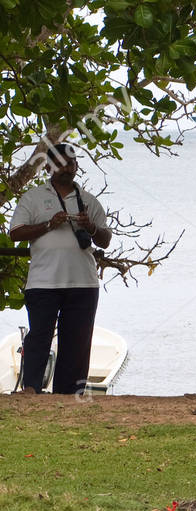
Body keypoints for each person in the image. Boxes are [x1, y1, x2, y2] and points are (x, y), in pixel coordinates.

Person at [7, 143, 111, 393]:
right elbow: (15, 233)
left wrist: (91, 228)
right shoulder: (33, 197)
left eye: (71, 164)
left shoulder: (88, 201)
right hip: (43, 281)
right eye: (61, 164)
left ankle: (69, 394)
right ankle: (31, 390)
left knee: (77, 342)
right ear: (50, 167)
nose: (66, 168)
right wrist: (48, 225)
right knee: (39, 338)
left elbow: (105, 240)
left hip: (83, 282)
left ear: (76, 167)